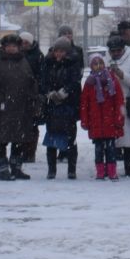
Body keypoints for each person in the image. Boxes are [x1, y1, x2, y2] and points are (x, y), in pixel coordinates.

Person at [0, 32, 40, 182]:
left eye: (14, 46)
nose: (11, 49)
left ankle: (16, 167)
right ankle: (3, 169)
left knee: (19, 140)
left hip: (21, 107)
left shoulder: (23, 61)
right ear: (4, 47)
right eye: (9, 46)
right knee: (1, 140)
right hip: (2, 108)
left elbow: (30, 80)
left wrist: (33, 97)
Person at [40, 36, 84, 180]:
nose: (59, 54)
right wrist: (50, 93)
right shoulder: (48, 63)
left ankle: (72, 170)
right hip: (52, 105)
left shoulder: (73, 63)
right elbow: (43, 81)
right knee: (51, 139)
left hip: (68, 105)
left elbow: (75, 82)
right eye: (56, 51)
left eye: (62, 51)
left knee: (71, 139)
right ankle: (51, 169)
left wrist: (64, 92)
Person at [80, 53, 127, 180]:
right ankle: (100, 170)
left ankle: (112, 170)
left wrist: (119, 117)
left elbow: (119, 100)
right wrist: (85, 120)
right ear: (91, 66)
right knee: (98, 149)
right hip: (96, 122)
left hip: (110, 121)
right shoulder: (89, 83)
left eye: (100, 63)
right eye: (95, 64)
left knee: (111, 149)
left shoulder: (112, 79)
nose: (98, 66)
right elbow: (85, 103)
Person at [106, 35, 130, 176]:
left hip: (126, 102)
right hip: (109, 104)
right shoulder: (105, 60)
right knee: (111, 137)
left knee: (128, 138)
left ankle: (128, 165)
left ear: (123, 49)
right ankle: (110, 166)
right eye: (113, 51)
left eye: (118, 50)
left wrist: (121, 74)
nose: (115, 53)